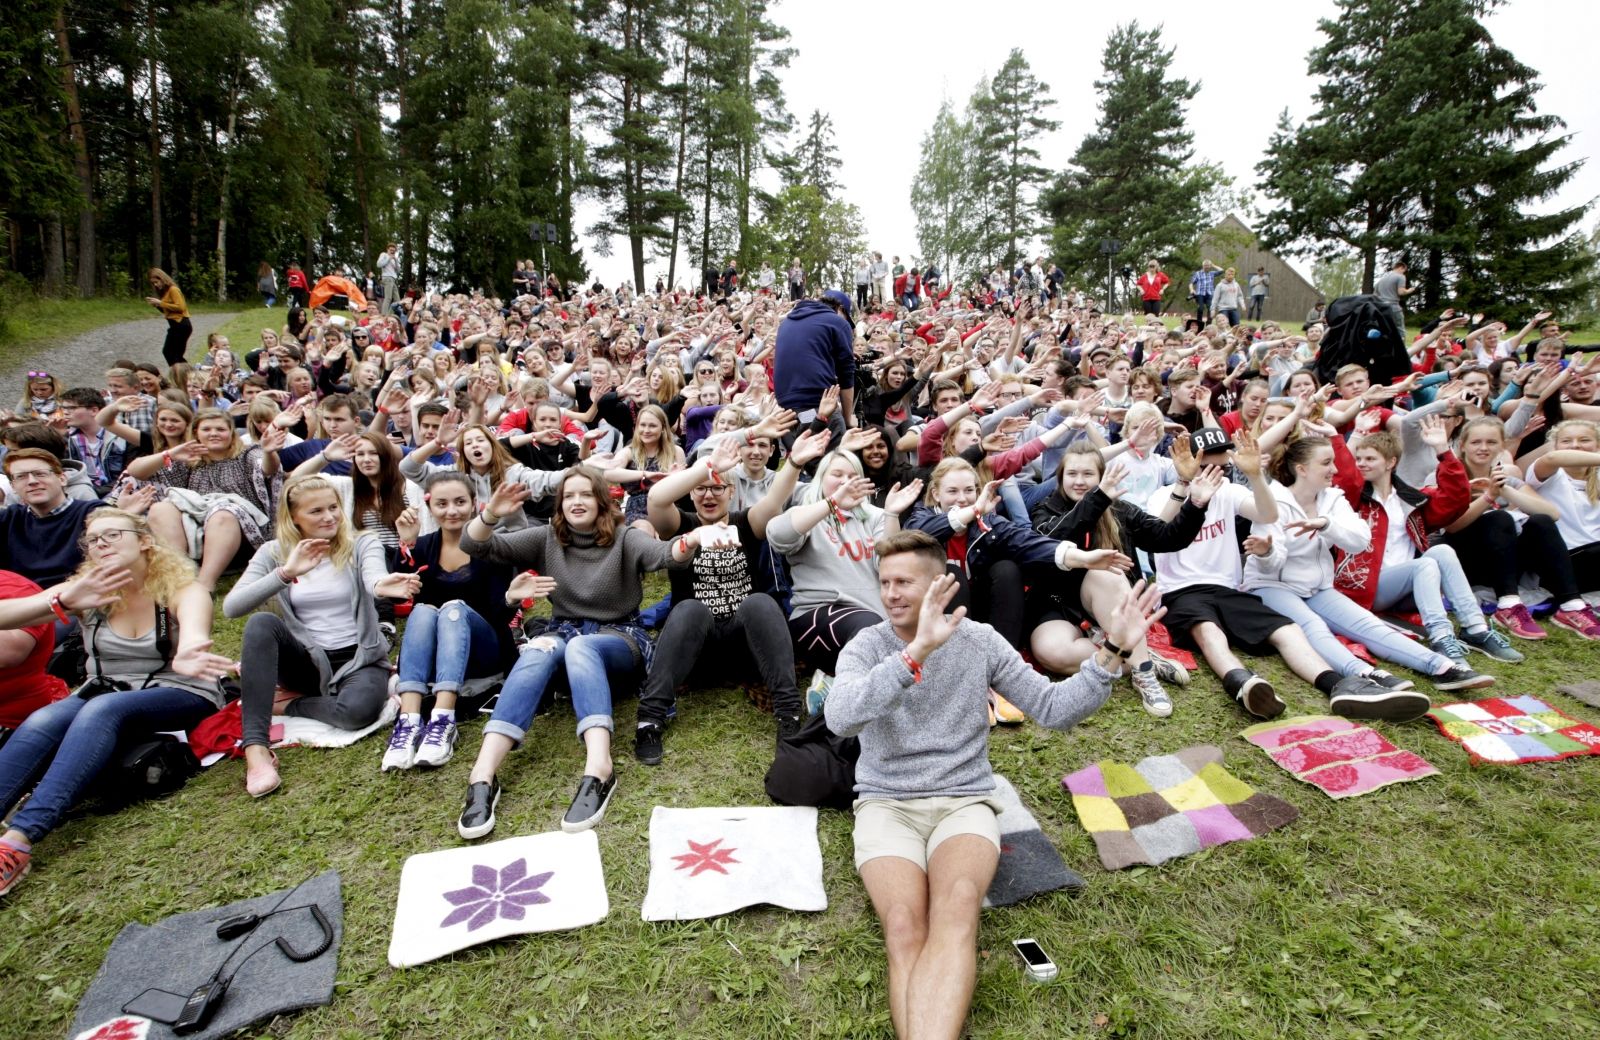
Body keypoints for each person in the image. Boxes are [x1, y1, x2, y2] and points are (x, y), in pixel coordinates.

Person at [826, 530, 1166, 1040]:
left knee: (958, 905)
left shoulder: (979, 640)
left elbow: (1053, 710)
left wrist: (1112, 649)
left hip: (964, 799)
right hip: (887, 801)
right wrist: (913, 653)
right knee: (902, 925)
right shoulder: (868, 645)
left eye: (904, 582)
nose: (891, 594)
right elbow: (839, 717)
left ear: (940, 583)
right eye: (884, 582)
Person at [0, 511, 237, 897]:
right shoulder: (88, 590)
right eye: (93, 540)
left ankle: (17, 842)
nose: (101, 544)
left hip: (178, 689)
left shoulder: (179, 588)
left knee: (100, 710)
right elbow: (8, 615)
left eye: (112, 535)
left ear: (143, 540)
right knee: (45, 719)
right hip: (105, 687)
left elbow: (194, 625)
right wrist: (62, 598)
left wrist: (190, 649)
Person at [454, 467, 698, 837]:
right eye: (569, 496)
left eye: (585, 494)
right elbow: (475, 545)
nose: (576, 501)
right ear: (560, 504)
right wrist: (490, 515)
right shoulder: (548, 538)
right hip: (562, 633)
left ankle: (599, 767)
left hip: (618, 638)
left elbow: (665, 554)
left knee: (582, 646)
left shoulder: (623, 538)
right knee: (536, 649)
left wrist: (691, 540)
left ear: (601, 502)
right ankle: (483, 775)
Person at [1153, 428, 1394, 718]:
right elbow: (1156, 533)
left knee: (1287, 629)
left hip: (1228, 588)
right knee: (1209, 631)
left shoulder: (1229, 492)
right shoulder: (1166, 495)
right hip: (1181, 589)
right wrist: (1184, 484)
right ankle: (1242, 683)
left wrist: (1255, 475)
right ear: (1189, 463)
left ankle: (1339, 685)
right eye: (1205, 467)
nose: (1214, 475)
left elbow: (1268, 515)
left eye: (1222, 468)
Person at [1243, 437, 1488, 708]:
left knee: (1367, 624)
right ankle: (1365, 673)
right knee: (1313, 627)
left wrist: (1326, 525)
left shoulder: (1333, 498)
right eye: (1326, 463)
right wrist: (1266, 552)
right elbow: (1271, 565)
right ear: (1302, 469)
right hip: (1270, 587)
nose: (1335, 470)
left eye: (1333, 462)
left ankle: (1442, 667)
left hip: (1318, 587)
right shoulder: (1273, 499)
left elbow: (1360, 541)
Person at [633, 431, 832, 765]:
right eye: (701, 488)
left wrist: (794, 463)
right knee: (689, 609)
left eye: (717, 487)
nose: (709, 495)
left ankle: (788, 715)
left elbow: (773, 502)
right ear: (691, 493)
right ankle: (649, 719)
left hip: (746, 646)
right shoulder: (682, 526)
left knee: (760, 602)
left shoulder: (745, 523)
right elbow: (656, 499)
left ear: (731, 491)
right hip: (697, 651)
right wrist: (707, 466)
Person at [223, 475, 422, 797]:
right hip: (306, 661)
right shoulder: (274, 553)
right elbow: (232, 607)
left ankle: (287, 706)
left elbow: (374, 575)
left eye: (333, 507)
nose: (329, 517)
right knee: (260, 623)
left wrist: (381, 586)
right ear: (294, 518)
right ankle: (256, 750)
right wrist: (286, 573)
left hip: (359, 658)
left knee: (356, 712)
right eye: (316, 511)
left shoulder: (361, 542)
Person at [1027, 447, 1216, 715]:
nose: (1079, 481)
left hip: (1109, 600)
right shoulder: (1045, 509)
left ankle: (1143, 671)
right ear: (1060, 478)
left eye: (1088, 474)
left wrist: (1195, 505)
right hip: (1059, 603)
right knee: (1052, 653)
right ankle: (1138, 655)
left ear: (1102, 476)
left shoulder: (1120, 510)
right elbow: (1055, 539)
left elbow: (1166, 538)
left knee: (1105, 571)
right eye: (1072, 473)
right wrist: (1097, 498)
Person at [1331, 424, 1524, 666]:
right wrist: (1337, 438)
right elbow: (1346, 479)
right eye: (1359, 458)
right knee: (1423, 566)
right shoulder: (1354, 500)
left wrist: (1442, 449)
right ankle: (1441, 637)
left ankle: (1476, 628)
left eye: (1370, 458)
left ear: (1391, 462)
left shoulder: (1411, 499)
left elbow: (1456, 500)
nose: (1361, 463)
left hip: (1410, 588)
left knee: (1441, 550)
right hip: (1366, 589)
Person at [382, 472, 519, 772]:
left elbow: (500, 618)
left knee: (454, 608)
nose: (451, 510)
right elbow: (400, 597)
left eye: (459, 502)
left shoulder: (494, 547)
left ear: (474, 504)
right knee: (423, 611)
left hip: (484, 651)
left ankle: (443, 719)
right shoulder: (421, 547)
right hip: (436, 658)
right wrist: (406, 544)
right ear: (430, 507)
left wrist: (512, 599)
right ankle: (408, 723)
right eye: (442, 504)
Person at [768, 452, 921, 673]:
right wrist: (832, 503)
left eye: (852, 475)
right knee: (869, 630)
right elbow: (777, 535)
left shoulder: (875, 516)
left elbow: (888, 568)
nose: (845, 481)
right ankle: (848, 696)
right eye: (837, 474)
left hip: (874, 618)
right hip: (816, 617)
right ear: (821, 478)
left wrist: (892, 515)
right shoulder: (807, 513)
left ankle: (832, 686)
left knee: (894, 636)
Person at [1442, 416, 1587, 640]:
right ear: (1462, 445)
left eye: (1491, 443)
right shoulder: (1447, 474)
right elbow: (1451, 528)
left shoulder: (1506, 479)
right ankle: (1508, 604)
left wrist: (1505, 491)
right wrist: (1489, 497)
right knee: (1499, 518)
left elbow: (1552, 514)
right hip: (1462, 560)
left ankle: (1571, 605)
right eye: (1476, 442)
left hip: (1503, 561)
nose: (1483, 448)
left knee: (1540, 522)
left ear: (1501, 447)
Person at [124, 407, 281, 592]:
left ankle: (205, 584)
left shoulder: (246, 454)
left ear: (231, 433)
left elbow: (266, 468)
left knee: (222, 512)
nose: (213, 434)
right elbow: (135, 471)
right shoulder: (189, 460)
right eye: (207, 429)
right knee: (160, 508)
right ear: (196, 433)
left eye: (220, 429)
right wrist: (169, 454)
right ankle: (180, 575)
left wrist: (269, 452)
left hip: (239, 535)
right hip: (194, 534)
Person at [1523, 419, 1600, 635]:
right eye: (1567, 441)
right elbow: (1552, 458)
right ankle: (1570, 609)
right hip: (1561, 565)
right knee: (1540, 521)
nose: (1575, 445)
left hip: (1594, 562)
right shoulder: (1550, 474)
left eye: (1584, 440)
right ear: (1556, 446)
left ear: (1597, 446)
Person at [0, 449, 105, 589]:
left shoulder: (92, 513)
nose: (32, 481)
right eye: (21, 477)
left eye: (40, 474)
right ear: (13, 487)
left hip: (76, 597)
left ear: (62, 479)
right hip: (21, 601)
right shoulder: (9, 518)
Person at [774, 289, 857, 429]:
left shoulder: (786, 322)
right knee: (836, 449)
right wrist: (848, 419)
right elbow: (846, 375)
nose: (847, 324)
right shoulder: (837, 321)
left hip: (785, 413)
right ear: (841, 309)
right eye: (847, 318)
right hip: (817, 405)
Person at [146, 268, 192, 366]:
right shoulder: (165, 292)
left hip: (181, 324)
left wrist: (161, 303)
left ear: (162, 279)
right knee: (171, 354)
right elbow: (168, 311)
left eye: (156, 282)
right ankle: (180, 374)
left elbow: (181, 307)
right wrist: (158, 306)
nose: (155, 285)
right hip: (174, 325)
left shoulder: (173, 289)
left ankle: (184, 374)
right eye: (153, 283)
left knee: (173, 354)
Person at [1374, 259, 1415, 332]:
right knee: (1399, 329)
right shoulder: (1400, 276)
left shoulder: (1382, 278)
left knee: (1383, 329)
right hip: (1393, 306)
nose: (1404, 273)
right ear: (1401, 268)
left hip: (1380, 307)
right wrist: (1409, 290)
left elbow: (1375, 294)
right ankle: (1400, 343)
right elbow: (1401, 292)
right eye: (1404, 270)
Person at [377, 243, 399, 316]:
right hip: (387, 277)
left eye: (394, 251)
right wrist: (389, 258)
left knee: (397, 299)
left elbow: (398, 271)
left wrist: (395, 261)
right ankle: (384, 314)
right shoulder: (384, 255)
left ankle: (398, 314)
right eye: (391, 250)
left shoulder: (394, 259)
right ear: (387, 249)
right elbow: (379, 264)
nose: (392, 252)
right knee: (388, 297)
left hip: (393, 279)